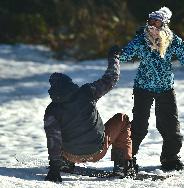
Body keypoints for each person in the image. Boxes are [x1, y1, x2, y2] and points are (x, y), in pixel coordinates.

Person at [119, 7, 184, 171]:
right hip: (143, 88)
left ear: (164, 25)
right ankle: (127, 158)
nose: (153, 26)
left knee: (170, 126)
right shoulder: (141, 40)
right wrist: (116, 54)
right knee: (139, 127)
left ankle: (170, 158)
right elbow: (125, 55)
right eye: (150, 22)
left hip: (165, 88)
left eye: (157, 22)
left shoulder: (173, 41)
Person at [44, 46, 136, 182]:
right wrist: (114, 57)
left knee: (58, 132)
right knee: (122, 119)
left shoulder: (52, 110)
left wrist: (54, 168)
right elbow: (112, 77)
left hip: (70, 154)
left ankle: (64, 162)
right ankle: (122, 166)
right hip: (97, 151)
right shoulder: (87, 92)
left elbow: (53, 140)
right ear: (70, 84)